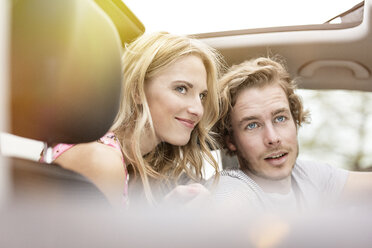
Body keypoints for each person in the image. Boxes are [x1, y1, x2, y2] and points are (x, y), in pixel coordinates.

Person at [41, 32, 225, 207]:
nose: (198, 110)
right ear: (137, 90)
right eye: (181, 89)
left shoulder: (132, 165)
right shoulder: (101, 161)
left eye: (201, 96)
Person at [211, 56, 372, 214]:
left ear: (295, 120)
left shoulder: (307, 175)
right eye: (252, 125)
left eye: (280, 118)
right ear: (230, 140)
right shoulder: (231, 189)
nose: (273, 138)